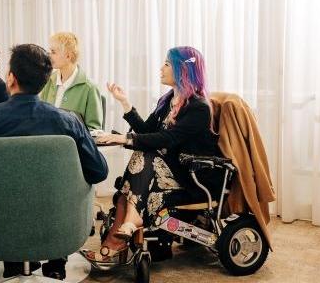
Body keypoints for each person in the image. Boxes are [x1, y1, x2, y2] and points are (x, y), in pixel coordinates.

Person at [0, 44, 108, 280]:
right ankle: (56, 263)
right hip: (58, 224)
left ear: (11, 78)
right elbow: (98, 172)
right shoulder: (68, 122)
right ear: (44, 81)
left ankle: (14, 264)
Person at [82, 46, 223, 263]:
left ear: (182, 70)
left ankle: (116, 241)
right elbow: (148, 132)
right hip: (162, 172)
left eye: (167, 64)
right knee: (140, 165)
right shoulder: (167, 101)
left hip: (190, 177)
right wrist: (125, 103)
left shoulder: (199, 107)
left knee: (144, 157)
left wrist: (124, 139)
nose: (161, 68)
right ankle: (125, 230)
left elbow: (167, 139)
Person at [39, 32, 103, 130]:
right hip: (48, 142)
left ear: (68, 56)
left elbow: (94, 130)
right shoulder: (48, 80)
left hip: (73, 144)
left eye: (53, 52)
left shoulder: (90, 88)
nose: (49, 55)